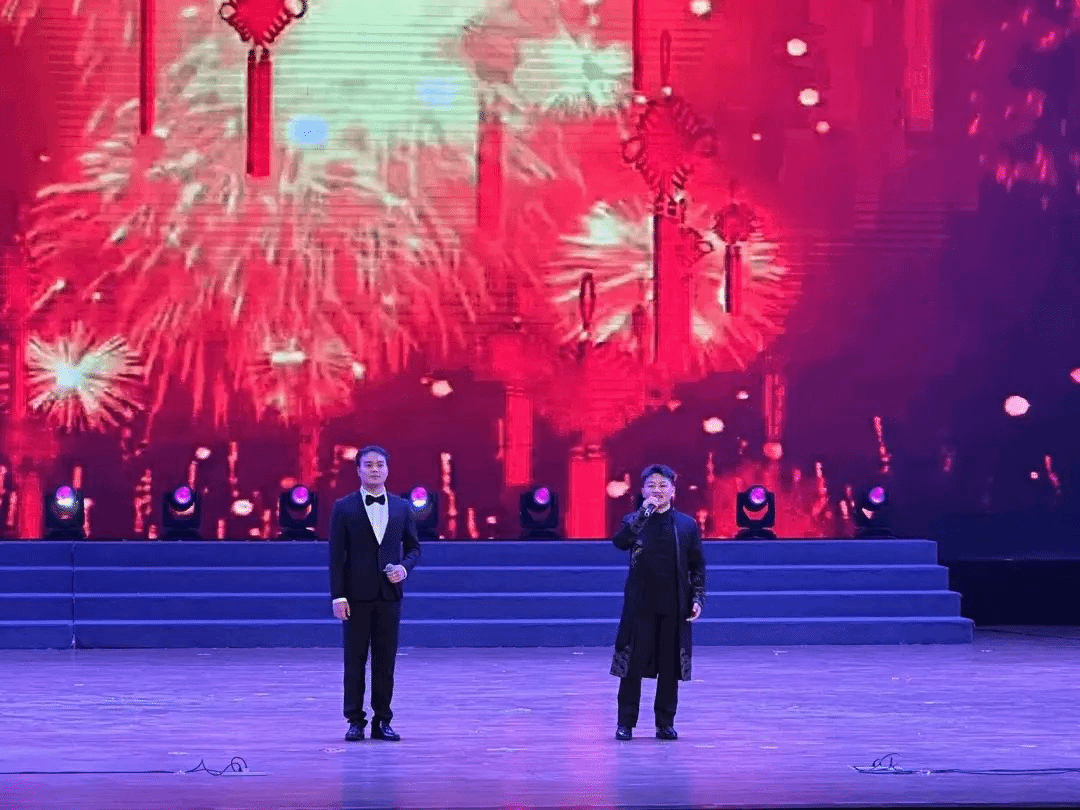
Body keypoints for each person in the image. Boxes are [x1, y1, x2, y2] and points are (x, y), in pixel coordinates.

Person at [329, 445, 421, 742]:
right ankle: (355, 720)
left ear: (387, 469)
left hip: (389, 596)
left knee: (385, 662)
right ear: (358, 470)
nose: (374, 469)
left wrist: (404, 568)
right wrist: (338, 596)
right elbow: (336, 556)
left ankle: (383, 720)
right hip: (355, 596)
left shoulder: (402, 507)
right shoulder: (344, 507)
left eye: (380, 464)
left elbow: (414, 548)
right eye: (368, 465)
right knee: (354, 661)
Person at [610, 463, 706, 741]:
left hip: (674, 605)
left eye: (663, 486)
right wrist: (644, 512)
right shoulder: (634, 520)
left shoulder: (686, 525)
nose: (658, 490)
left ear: (673, 491)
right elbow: (620, 542)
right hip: (640, 606)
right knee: (632, 668)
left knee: (669, 668)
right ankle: (625, 723)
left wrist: (697, 598)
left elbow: (697, 565)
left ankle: (665, 723)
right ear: (642, 491)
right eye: (651, 486)